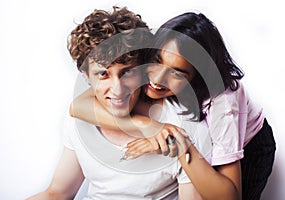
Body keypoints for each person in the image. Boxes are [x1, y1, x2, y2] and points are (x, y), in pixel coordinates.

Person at [71, 12, 276, 200]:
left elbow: (229, 196)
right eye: (157, 61)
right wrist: (147, 125)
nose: (158, 80)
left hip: (250, 147)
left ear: (197, 75)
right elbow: (78, 106)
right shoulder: (137, 68)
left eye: (177, 72)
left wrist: (178, 145)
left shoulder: (223, 102)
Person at [27, 7, 208, 200]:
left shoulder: (180, 123)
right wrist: (144, 124)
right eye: (103, 74)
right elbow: (57, 193)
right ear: (87, 76)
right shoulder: (79, 119)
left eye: (128, 72)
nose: (117, 89)